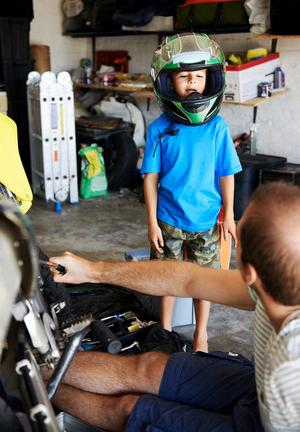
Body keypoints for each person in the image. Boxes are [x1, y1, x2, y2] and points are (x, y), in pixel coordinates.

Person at [46, 181, 300, 432]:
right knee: (151, 366)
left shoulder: (290, 366)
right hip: (259, 385)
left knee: (130, 410)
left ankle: (34, 386)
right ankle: (39, 369)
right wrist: (92, 270)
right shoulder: (278, 280)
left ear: (250, 273)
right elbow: (188, 279)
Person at [141, 32, 242, 352]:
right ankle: (165, 329)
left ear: (211, 80)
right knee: (166, 276)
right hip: (168, 217)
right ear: (169, 84)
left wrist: (230, 216)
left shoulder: (217, 128)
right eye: (184, 77)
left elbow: (227, 174)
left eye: (199, 76)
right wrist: (152, 223)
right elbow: (150, 178)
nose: (193, 83)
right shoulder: (159, 128)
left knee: (205, 281)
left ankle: (201, 334)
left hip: (207, 219)